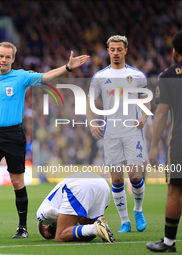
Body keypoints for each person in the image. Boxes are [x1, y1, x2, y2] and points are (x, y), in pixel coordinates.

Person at [0, 42, 89, 239]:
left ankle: (22, 227)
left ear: (13, 59)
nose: (3, 60)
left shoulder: (21, 76)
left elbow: (46, 77)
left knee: (16, 181)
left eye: (7, 57)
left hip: (14, 135)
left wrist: (68, 67)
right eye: (0, 56)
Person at [86, 35, 150, 233]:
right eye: (112, 49)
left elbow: (146, 99)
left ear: (126, 50)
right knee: (116, 179)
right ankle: (125, 221)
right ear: (108, 51)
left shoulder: (137, 75)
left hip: (132, 131)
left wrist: (144, 118)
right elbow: (89, 102)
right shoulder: (99, 77)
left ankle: (138, 211)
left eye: (119, 49)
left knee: (135, 175)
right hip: (111, 133)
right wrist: (91, 122)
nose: (115, 52)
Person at [146, 31, 182, 253]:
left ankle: (168, 242)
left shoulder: (169, 75)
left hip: (180, 143)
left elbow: (160, 115)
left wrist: (153, 146)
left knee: (176, 191)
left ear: (175, 52)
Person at [36, 172, 115, 243]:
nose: (52, 236)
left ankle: (95, 229)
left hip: (78, 185)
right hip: (102, 185)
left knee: (60, 236)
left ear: (44, 225)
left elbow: (49, 211)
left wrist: (63, 219)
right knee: (83, 236)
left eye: (49, 235)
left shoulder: (41, 215)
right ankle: (100, 229)